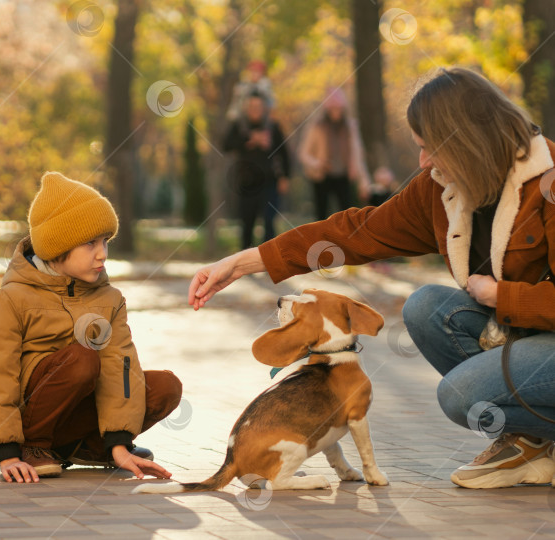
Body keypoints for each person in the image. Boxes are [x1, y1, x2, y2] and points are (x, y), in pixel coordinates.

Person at [188, 67, 555, 489]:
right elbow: (355, 233)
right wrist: (245, 261)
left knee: (460, 395)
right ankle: (531, 439)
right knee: (426, 308)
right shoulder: (443, 189)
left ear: (467, 140)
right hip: (526, 338)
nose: (424, 162)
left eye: (430, 148)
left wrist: (502, 296)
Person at [0, 171, 182, 483]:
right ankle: (35, 446)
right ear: (58, 248)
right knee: (82, 359)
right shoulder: (11, 300)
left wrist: (119, 443)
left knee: (165, 387)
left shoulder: (109, 299)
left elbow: (118, 368)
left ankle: (90, 448)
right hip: (29, 420)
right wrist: (7, 452)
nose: (102, 254)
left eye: (105, 241)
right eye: (90, 243)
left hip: (75, 414)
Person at [223, 91, 291, 249]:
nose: (255, 109)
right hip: (246, 182)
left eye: (258, 106)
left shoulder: (273, 126)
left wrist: (285, 177)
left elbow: (285, 154)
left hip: (269, 180)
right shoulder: (239, 125)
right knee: (247, 221)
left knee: (269, 221)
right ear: (246, 108)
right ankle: (245, 260)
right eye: (252, 106)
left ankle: (268, 261)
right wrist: (250, 139)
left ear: (265, 108)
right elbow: (226, 145)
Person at [299, 88, 371, 220]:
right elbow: (303, 153)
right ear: (327, 109)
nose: (336, 112)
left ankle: (343, 240)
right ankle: (321, 239)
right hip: (322, 175)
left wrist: (364, 180)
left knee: (346, 215)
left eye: (339, 108)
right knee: (321, 215)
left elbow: (357, 153)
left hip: (343, 175)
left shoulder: (350, 127)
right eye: (333, 108)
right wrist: (317, 163)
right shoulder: (317, 126)